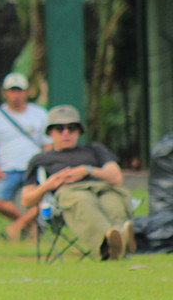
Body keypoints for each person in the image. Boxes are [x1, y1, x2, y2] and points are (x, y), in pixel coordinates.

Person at [20, 104, 136, 261]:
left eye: (72, 128)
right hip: (69, 193)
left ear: (79, 131)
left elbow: (116, 177)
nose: (66, 132)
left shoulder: (95, 150)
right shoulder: (40, 159)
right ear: (50, 132)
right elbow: (26, 201)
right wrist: (49, 184)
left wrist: (88, 170)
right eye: (60, 128)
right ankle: (109, 242)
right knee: (82, 200)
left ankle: (120, 239)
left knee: (113, 201)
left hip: (102, 188)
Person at [0, 72, 51, 241]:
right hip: (7, 169)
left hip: (33, 168)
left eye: (19, 91)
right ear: (5, 93)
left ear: (26, 92)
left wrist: (45, 166)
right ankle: (26, 224)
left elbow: (47, 143)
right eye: (12, 91)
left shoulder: (39, 114)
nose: (16, 95)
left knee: (42, 200)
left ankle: (16, 228)